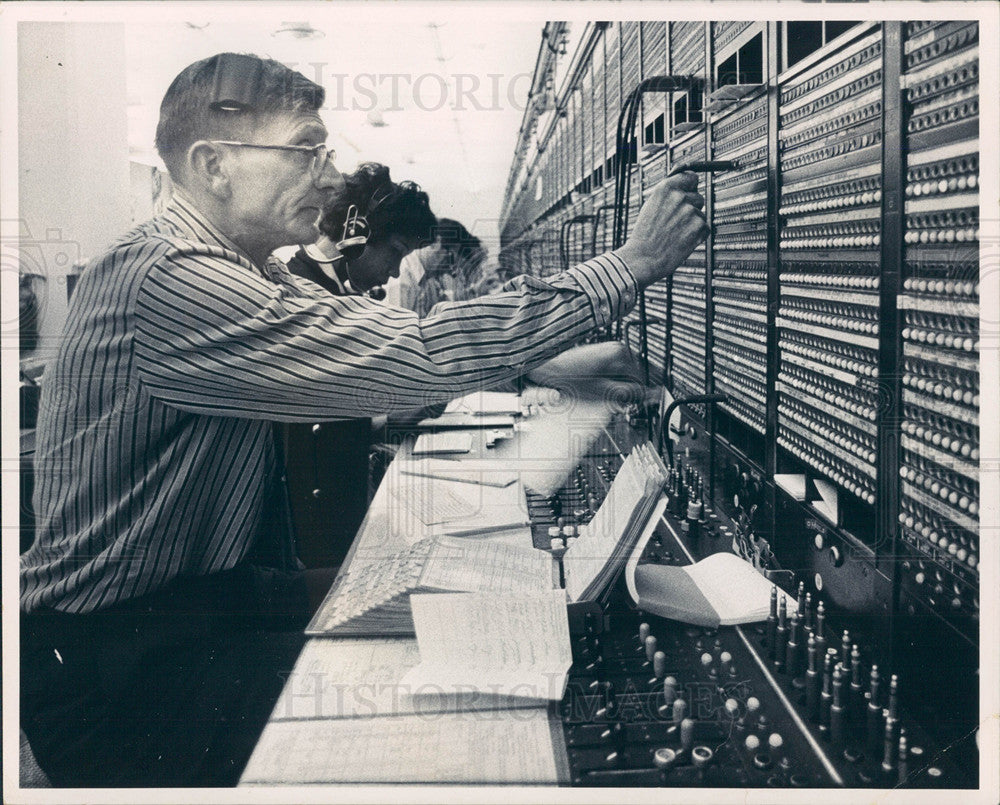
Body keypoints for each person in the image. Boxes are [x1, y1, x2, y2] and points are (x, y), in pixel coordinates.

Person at [19, 52, 707, 787]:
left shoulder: (249, 271)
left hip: (209, 604)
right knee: (427, 719)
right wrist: (627, 265)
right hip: (119, 666)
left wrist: (535, 365)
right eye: (305, 148)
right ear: (214, 164)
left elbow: (380, 356)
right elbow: (408, 350)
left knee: (448, 602)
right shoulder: (171, 278)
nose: (327, 176)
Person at [283, 164, 437, 568]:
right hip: (315, 535)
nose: (394, 271)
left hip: (342, 509)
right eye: (397, 253)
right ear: (357, 236)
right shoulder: (303, 292)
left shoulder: (337, 288)